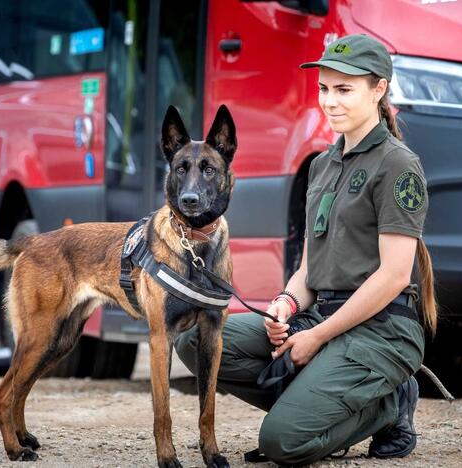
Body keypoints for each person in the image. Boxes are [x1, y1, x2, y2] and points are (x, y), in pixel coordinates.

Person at [175, 34, 437, 465]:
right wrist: (285, 304)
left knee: (283, 444)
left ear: (379, 90)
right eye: (324, 89)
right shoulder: (321, 165)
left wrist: (315, 337)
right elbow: (310, 267)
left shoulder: (397, 165)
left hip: (381, 331)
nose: (330, 101)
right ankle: (319, 402)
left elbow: (393, 277)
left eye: (344, 89)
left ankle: (388, 404)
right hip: (322, 317)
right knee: (196, 340)